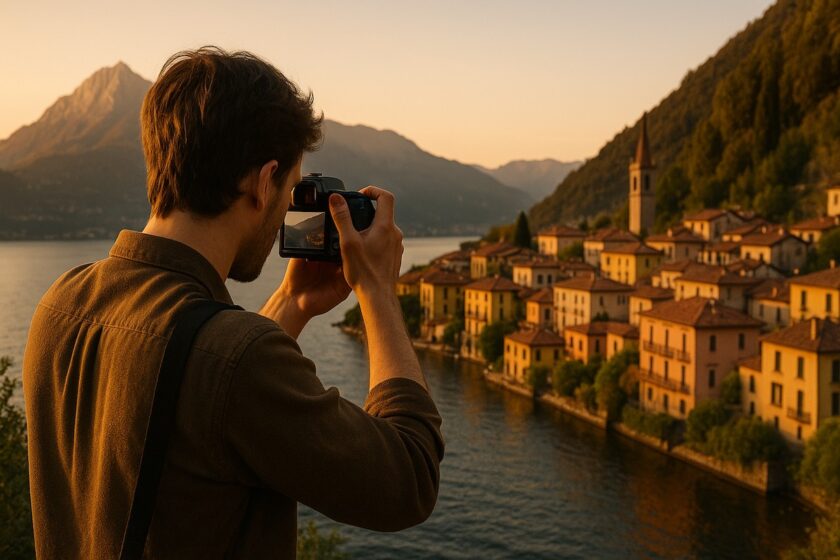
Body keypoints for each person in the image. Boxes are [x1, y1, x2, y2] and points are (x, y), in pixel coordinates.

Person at [23, 47, 444, 559]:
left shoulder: (60, 305)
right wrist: (378, 292)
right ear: (264, 182)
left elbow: (197, 387)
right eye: (291, 188)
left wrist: (293, 300)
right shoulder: (240, 357)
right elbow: (410, 477)